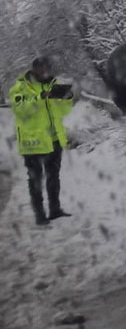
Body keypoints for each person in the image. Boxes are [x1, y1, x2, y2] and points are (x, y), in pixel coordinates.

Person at [9, 56, 74, 225]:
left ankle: (55, 209)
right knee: (35, 179)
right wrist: (40, 97)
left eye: (48, 68)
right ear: (34, 69)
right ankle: (39, 214)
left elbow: (63, 111)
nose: (46, 71)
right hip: (33, 142)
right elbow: (20, 110)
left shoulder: (53, 85)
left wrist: (66, 98)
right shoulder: (20, 87)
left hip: (54, 139)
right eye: (42, 68)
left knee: (53, 176)